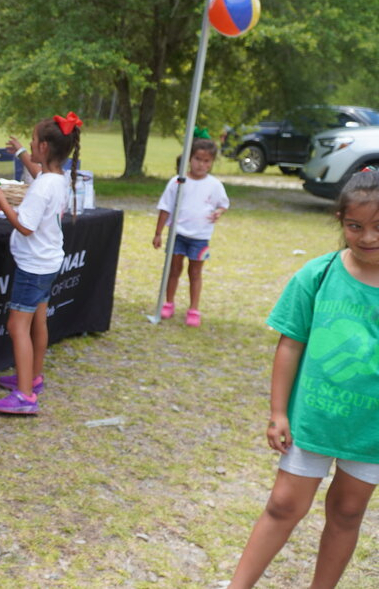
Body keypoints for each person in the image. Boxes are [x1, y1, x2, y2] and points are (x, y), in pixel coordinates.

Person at [228, 169, 379, 588]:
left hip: (370, 431)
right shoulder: (318, 275)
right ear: (340, 222)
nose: (367, 237)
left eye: (377, 227)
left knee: (348, 512)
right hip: (311, 420)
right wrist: (278, 412)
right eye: (355, 226)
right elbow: (290, 344)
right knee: (283, 504)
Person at [0, 112, 83, 415]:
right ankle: (33, 377)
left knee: (17, 326)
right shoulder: (57, 178)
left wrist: (1, 203)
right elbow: (39, 174)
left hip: (32, 267)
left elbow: (25, 226)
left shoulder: (41, 187)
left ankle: (25, 395)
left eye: (33, 141)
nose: (30, 143)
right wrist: (23, 154)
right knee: (39, 321)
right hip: (49, 263)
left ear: (44, 148)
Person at [151, 138, 229, 328]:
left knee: (195, 272)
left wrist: (218, 212)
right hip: (177, 235)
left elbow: (223, 204)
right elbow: (165, 207)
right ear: (189, 158)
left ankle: (194, 309)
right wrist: (159, 232)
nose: (201, 165)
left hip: (200, 237)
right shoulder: (177, 182)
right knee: (174, 270)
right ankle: (168, 302)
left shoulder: (215, 185)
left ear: (211, 163)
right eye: (197, 159)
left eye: (206, 161)